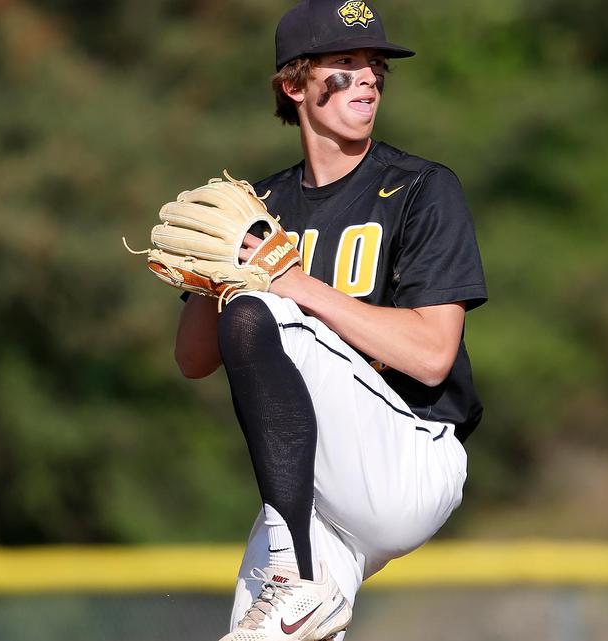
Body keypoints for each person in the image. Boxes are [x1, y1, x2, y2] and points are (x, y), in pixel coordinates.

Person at [173, 1, 487, 639]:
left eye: (374, 65)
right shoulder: (259, 208)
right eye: (344, 63)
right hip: (307, 492)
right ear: (294, 84)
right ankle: (298, 585)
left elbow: (432, 354)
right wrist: (216, 274)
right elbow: (193, 359)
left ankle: (293, 579)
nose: (368, 77)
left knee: (267, 311)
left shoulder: (422, 188)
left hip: (407, 452)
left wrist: (294, 285)